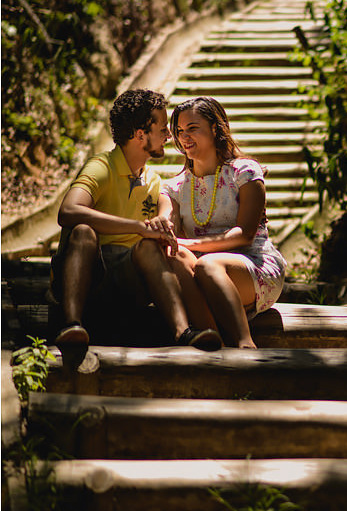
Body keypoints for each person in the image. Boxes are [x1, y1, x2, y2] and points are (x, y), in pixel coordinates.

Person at [51, 88, 223, 351]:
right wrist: (138, 227)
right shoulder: (101, 166)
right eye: (164, 129)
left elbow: (166, 203)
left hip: (129, 280)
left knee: (149, 246)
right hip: (89, 275)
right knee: (83, 231)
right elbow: (68, 211)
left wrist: (163, 219)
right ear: (140, 135)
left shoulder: (152, 179)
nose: (169, 135)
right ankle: (71, 324)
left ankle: (183, 331)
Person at [160, 96, 287, 349]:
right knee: (174, 255)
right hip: (200, 271)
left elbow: (245, 235)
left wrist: (190, 243)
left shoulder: (245, 172)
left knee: (207, 264)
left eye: (192, 128)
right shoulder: (172, 187)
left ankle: (244, 344)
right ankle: (212, 341)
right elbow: (169, 228)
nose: (184, 137)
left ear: (216, 129)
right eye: (179, 131)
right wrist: (161, 226)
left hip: (253, 265)